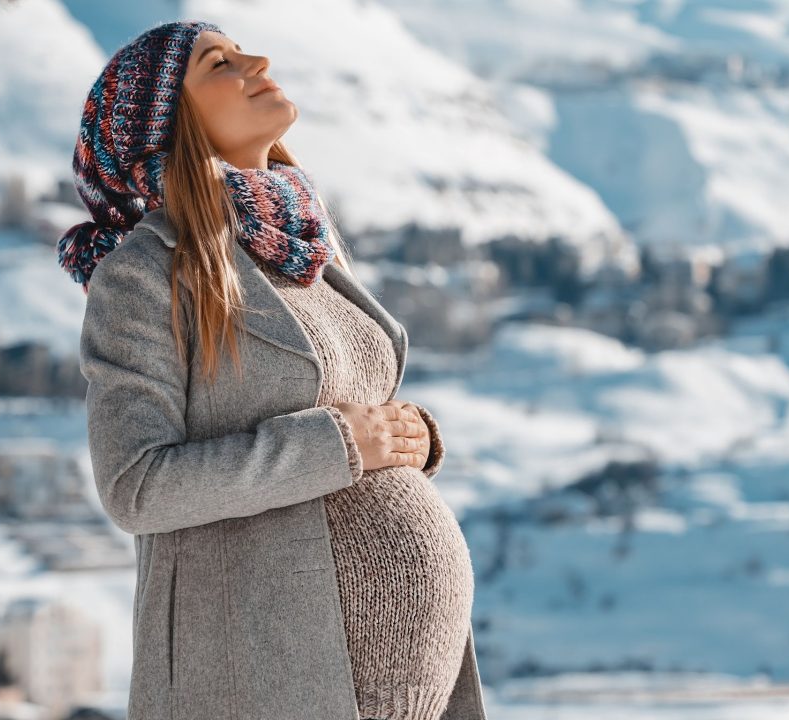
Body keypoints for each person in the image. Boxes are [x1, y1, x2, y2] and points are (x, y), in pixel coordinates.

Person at [59, 20, 488, 720]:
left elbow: (353, 414)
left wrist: (409, 439)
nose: (257, 60)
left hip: (397, 687)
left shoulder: (293, 246)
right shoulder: (145, 273)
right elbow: (136, 486)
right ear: (167, 122)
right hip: (267, 677)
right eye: (219, 63)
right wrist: (341, 445)